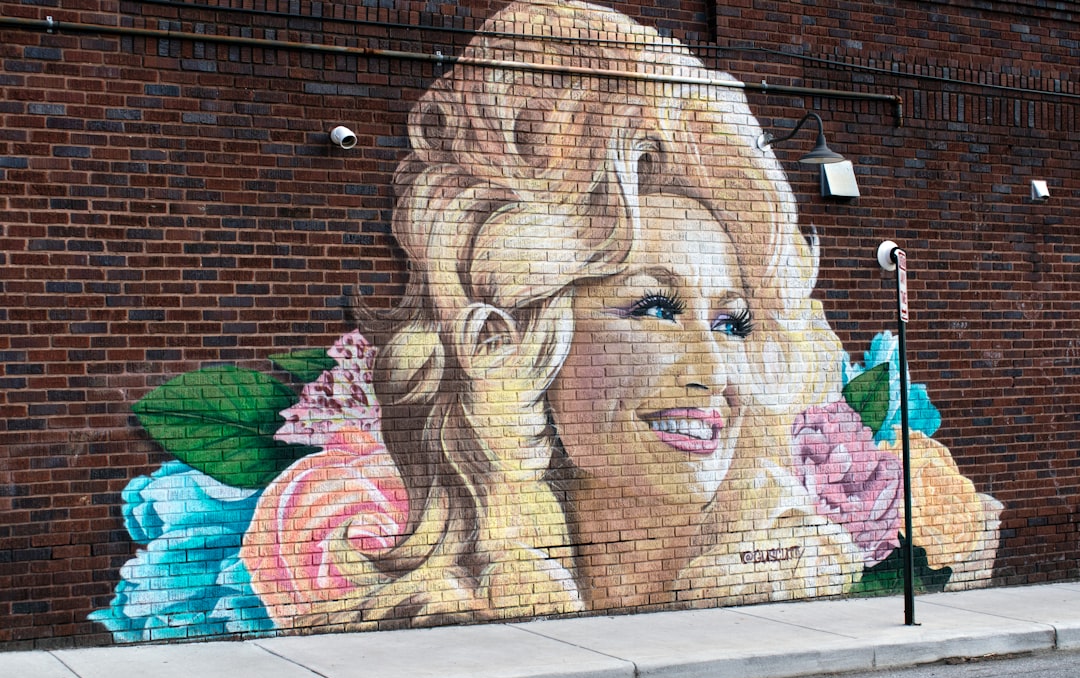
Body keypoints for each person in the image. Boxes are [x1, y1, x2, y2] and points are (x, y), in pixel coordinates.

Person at [241, 0, 875, 630]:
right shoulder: (455, 605)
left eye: (732, 323)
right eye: (655, 308)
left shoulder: (775, 557)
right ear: (521, 339)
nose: (714, 371)